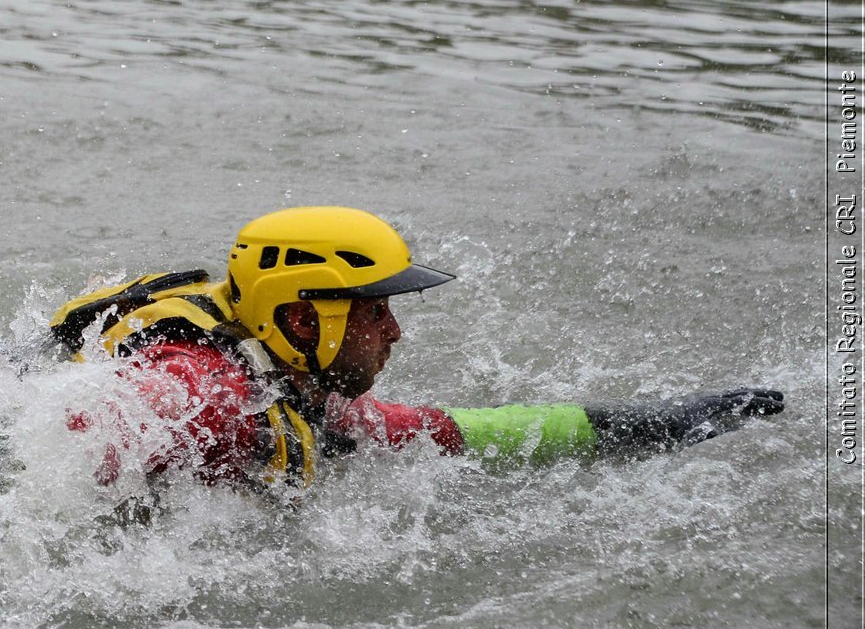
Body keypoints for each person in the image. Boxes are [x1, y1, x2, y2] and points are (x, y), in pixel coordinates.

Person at [48, 206, 784, 491]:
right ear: (305, 321)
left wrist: (661, 423)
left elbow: (463, 432)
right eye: (378, 311)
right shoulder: (206, 397)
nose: (396, 332)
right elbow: (49, 445)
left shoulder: (283, 385)